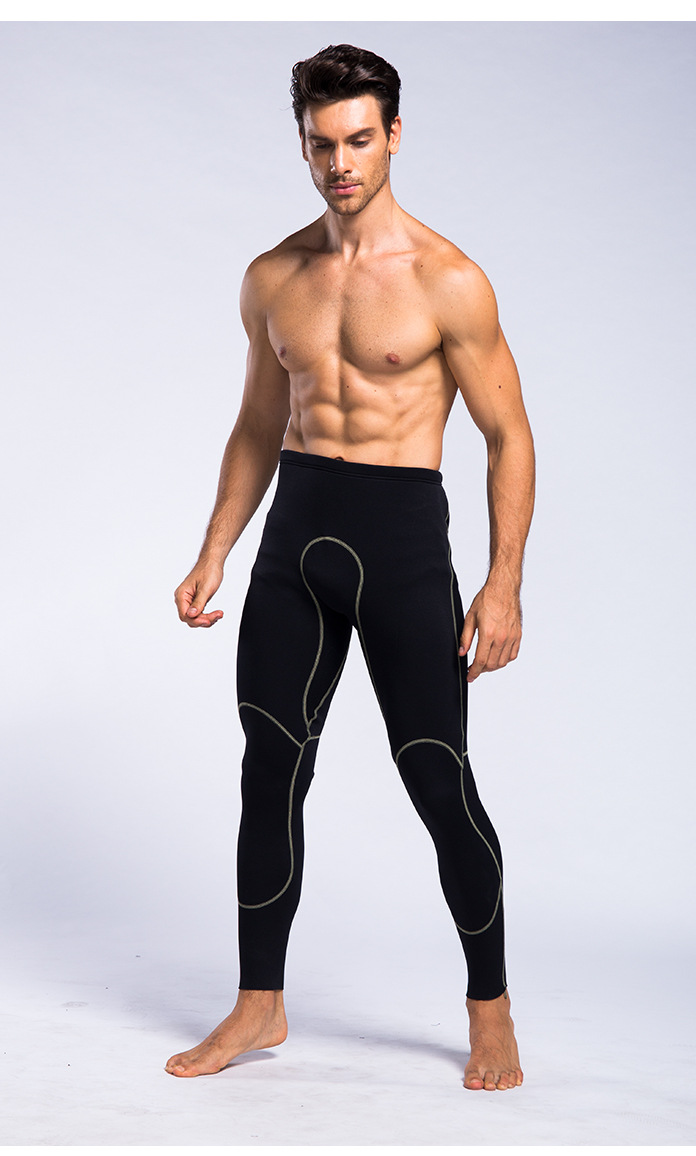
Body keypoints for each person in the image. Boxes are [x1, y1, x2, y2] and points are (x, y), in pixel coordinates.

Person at [165, 43, 534, 1092]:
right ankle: (259, 1003)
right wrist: (215, 548)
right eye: (322, 143)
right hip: (296, 545)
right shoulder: (273, 278)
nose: (341, 162)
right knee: (269, 769)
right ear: (302, 144)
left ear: (394, 137)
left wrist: (502, 583)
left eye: (360, 140)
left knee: (437, 777)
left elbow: (509, 435)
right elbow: (257, 422)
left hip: (402, 545)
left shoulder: (447, 280)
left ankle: (492, 1012)